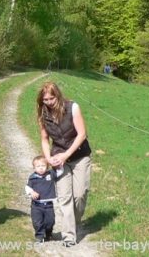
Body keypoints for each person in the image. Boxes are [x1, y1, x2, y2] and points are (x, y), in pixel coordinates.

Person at [36, 81, 92, 247]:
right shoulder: (42, 114)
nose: (49, 102)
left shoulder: (73, 107)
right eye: (45, 99)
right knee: (64, 197)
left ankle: (75, 220)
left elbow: (82, 134)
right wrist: (48, 158)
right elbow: (45, 139)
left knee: (80, 195)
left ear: (57, 95)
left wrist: (67, 154)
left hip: (80, 156)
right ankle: (69, 236)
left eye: (51, 98)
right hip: (59, 159)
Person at [25, 155, 62, 243]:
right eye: (38, 166)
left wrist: (59, 164)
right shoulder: (32, 177)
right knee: (37, 222)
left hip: (49, 205)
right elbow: (27, 187)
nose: (41, 168)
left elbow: (60, 171)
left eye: (43, 166)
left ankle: (48, 234)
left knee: (50, 221)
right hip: (36, 205)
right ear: (34, 168)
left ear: (47, 166)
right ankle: (39, 236)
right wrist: (32, 192)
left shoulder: (51, 174)